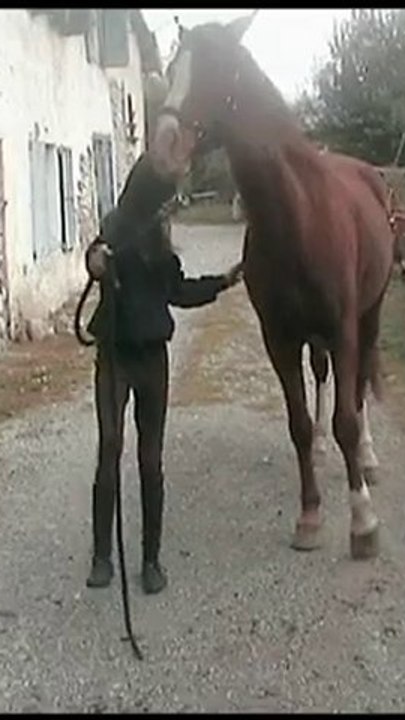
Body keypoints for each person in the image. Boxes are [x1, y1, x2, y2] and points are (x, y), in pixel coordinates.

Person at [84, 153, 242, 595]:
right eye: (162, 195)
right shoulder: (115, 226)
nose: (167, 205)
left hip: (152, 357)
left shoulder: (158, 238)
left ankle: (151, 560)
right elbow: (94, 258)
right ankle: (102, 557)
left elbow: (177, 291)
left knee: (151, 461)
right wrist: (96, 261)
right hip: (114, 355)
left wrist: (221, 282)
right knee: (110, 448)